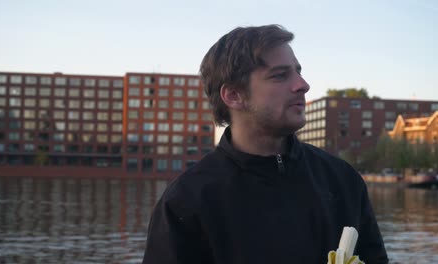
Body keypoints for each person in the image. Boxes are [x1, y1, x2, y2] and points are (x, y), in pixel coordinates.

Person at [142, 24, 388, 264]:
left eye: (298, 71)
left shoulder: (343, 181)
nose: (302, 84)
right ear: (234, 96)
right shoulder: (186, 202)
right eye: (280, 75)